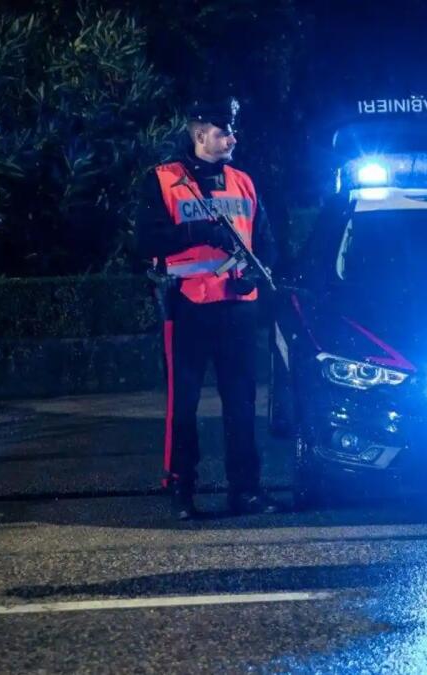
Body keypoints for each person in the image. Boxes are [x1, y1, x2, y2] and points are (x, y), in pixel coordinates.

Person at [136, 98, 280, 520]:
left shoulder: (243, 182)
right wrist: (200, 232)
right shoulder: (163, 180)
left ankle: (246, 492)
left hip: (238, 309)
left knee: (242, 405)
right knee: (183, 406)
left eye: (232, 130)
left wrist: (260, 271)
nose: (231, 138)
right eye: (222, 132)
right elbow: (145, 244)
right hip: (187, 307)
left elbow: (266, 244)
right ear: (199, 135)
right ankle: (181, 490)